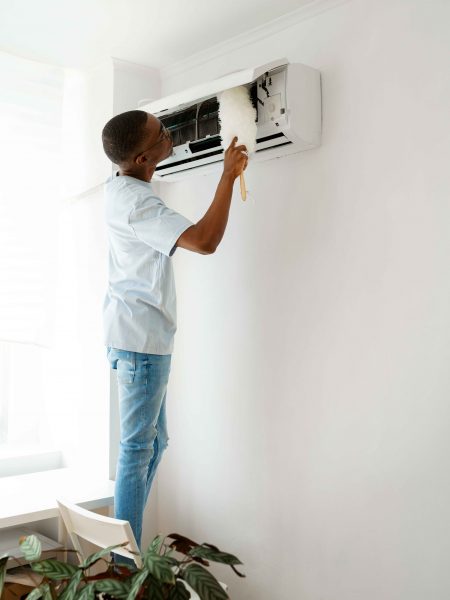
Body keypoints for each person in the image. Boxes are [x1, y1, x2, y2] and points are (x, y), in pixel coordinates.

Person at [101, 109, 248, 568]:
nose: (171, 134)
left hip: (132, 336)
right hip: (142, 344)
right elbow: (205, 241)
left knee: (156, 442)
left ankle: (126, 538)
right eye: (163, 133)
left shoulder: (123, 185)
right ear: (144, 157)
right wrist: (227, 177)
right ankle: (126, 567)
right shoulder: (140, 205)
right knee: (136, 450)